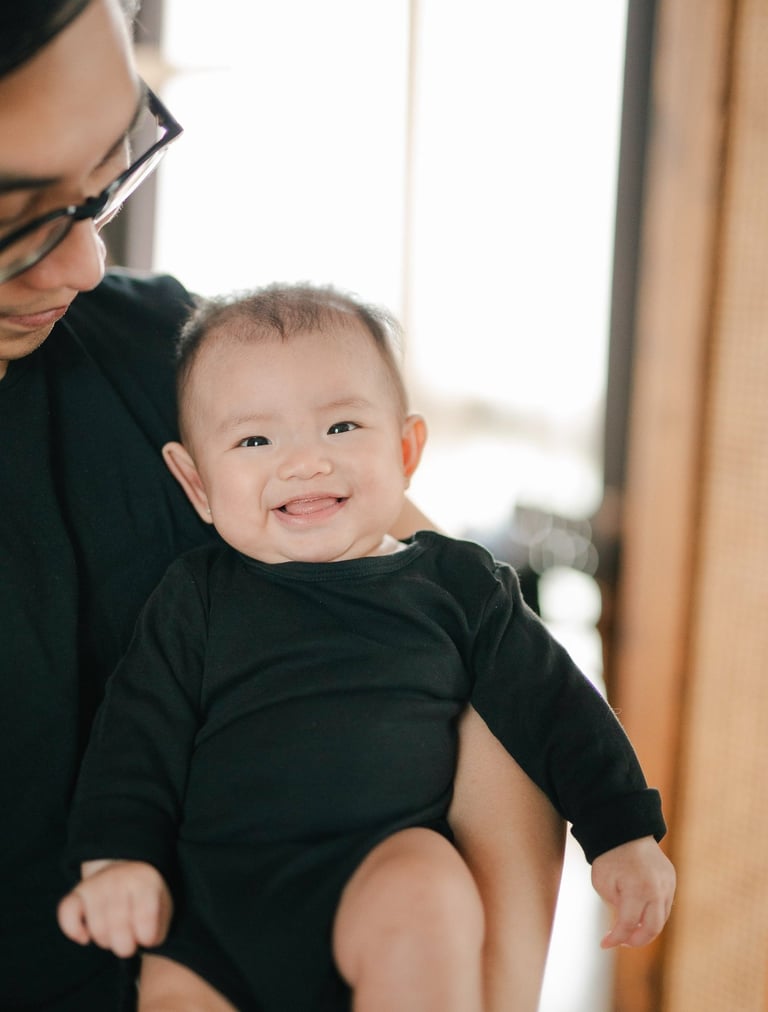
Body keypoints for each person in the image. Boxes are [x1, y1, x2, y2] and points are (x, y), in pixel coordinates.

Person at [0, 3, 584, 1009]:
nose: (84, 263)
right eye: (18, 220)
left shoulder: (154, 356)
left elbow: (483, 641)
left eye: (107, 174)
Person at [57, 284, 675, 1012]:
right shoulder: (195, 595)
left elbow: (559, 707)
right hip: (214, 908)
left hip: (381, 868)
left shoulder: (457, 584)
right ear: (196, 483)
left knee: (431, 890)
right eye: (256, 440)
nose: (305, 463)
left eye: (342, 427)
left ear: (407, 448)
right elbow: (136, 736)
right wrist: (116, 859)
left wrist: (623, 832)